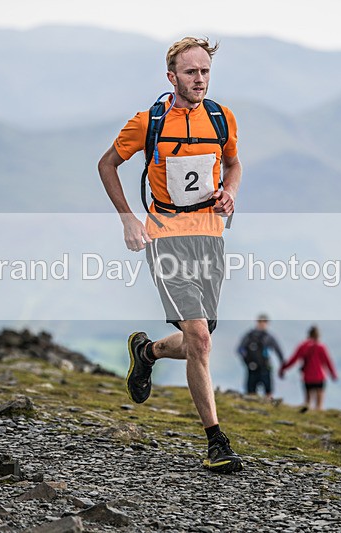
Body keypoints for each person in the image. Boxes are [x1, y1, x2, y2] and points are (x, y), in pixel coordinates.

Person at [97, 37, 243, 474]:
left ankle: (148, 353)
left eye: (205, 72)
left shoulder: (220, 117)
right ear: (172, 76)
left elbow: (234, 163)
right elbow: (107, 164)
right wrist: (128, 218)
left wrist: (229, 193)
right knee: (199, 339)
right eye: (191, 72)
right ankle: (216, 442)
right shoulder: (148, 122)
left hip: (210, 238)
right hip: (166, 237)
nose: (199, 80)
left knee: (200, 340)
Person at [280, 326, 337, 412]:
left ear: (308, 334)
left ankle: (306, 419)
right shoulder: (321, 347)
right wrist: (333, 374)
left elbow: (293, 359)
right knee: (319, 406)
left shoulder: (303, 346)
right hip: (319, 378)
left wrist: (283, 368)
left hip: (307, 378)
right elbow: (328, 361)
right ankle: (318, 418)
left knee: (307, 403)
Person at [237, 314, 284, 398]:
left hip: (264, 367)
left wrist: (282, 365)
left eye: (264, 322)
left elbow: (278, 351)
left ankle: (268, 407)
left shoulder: (268, 337)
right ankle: (252, 407)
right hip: (253, 367)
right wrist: (247, 362)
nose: (262, 324)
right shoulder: (250, 336)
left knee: (268, 391)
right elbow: (240, 349)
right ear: (257, 322)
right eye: (261, 322)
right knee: (251, 392)